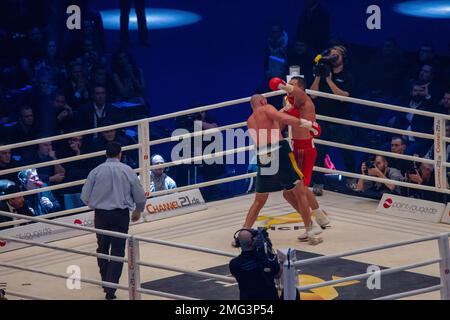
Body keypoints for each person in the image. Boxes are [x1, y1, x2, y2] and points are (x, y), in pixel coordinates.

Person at [242, 92, 322, 245]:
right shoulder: (267, 108)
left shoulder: (250, 120)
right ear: (263, 101)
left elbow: (271, 127)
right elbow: (282, 119)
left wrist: (283, 113)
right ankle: (310, 230)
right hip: (278, 150)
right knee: (299, 190)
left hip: (262, 154)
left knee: (260, 198)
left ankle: (243, 232)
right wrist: (306, 124)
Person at [81, 142, 146, 300]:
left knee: (102, 248)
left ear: (106, 154)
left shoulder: (96, 171)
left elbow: (84, 197)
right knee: (117, 251)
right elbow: (139, 194)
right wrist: (138, 210)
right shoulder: (127, 170)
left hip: (101, 215)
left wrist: (97, 203)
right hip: (120, 215)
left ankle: (106, 282)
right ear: (120, 154)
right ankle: (111, 287)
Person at [277, 77, 330, 232]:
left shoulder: (305, 102)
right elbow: (281, 125)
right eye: (288, 85)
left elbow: (316, 130)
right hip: (294, 148)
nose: (288, 88)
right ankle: (319, 218)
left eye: (292, 86)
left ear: (301, 89)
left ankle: (312, 224)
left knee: (297, 190)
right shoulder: (288, 101)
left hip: (304, 149)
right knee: (297, 190)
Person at [310, 45, 355, 191]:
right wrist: (318, 76)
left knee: (347, 152)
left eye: (337, 55)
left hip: (341, 119)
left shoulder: (348, 74)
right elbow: (313, 95)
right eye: (332, 55)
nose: (334, 57)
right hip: (322, 118)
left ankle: (351, 179)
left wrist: (329, 80)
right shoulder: (323, 71)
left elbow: (343, 97)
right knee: (319, 152)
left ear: (343, 58)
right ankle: (318, 183)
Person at [229, 229, 281, 300]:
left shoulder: (234, 264)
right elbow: (277, 275)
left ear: (238, 242)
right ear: (253, 241)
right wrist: (282, 261)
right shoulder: (268, 258)